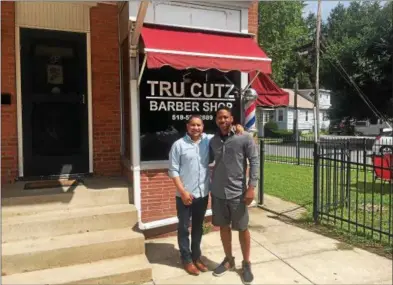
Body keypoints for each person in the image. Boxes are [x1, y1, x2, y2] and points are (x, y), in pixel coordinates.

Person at [168, 115, 244, 276]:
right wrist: (182, 192)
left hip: (202, 194)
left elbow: (226, 132)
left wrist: (238, 127)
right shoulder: (178, 145)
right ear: (187, 126)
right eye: (192, 125)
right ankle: (186, 259)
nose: (196, 128)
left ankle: (196, 257)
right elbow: (173, 170)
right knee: (183, 228)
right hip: (184, 195)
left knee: (197, 228)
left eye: (199, 125)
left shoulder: (208, 140)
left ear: (203, 127)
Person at [209, 106, 259, 284]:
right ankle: (229, 259)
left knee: (242, 228)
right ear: (216, 120)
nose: (222, 121)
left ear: (231, 119)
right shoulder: (213, 141)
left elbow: (254, 161)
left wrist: (251, 186)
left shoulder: (243, 137)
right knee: (223, 227)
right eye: (219, 118)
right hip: (218, 192)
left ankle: (246, 263)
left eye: (225, 117)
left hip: (238, 193)